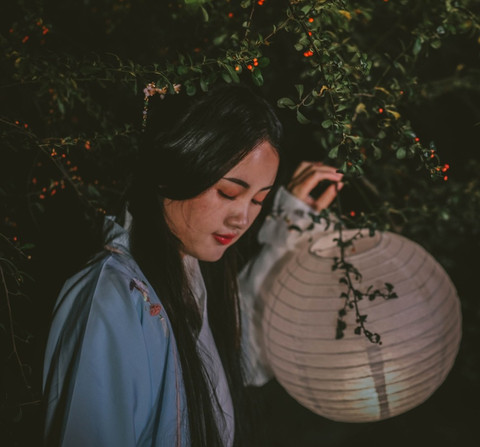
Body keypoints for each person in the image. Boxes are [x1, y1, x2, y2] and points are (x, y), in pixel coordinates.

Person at [42, 84, 343, 446]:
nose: (242, 219)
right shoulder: (114, 298)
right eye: (228, 193)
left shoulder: (192, 271)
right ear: (175, 170)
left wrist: (293, 221)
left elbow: (238, 352)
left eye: (258, 200)